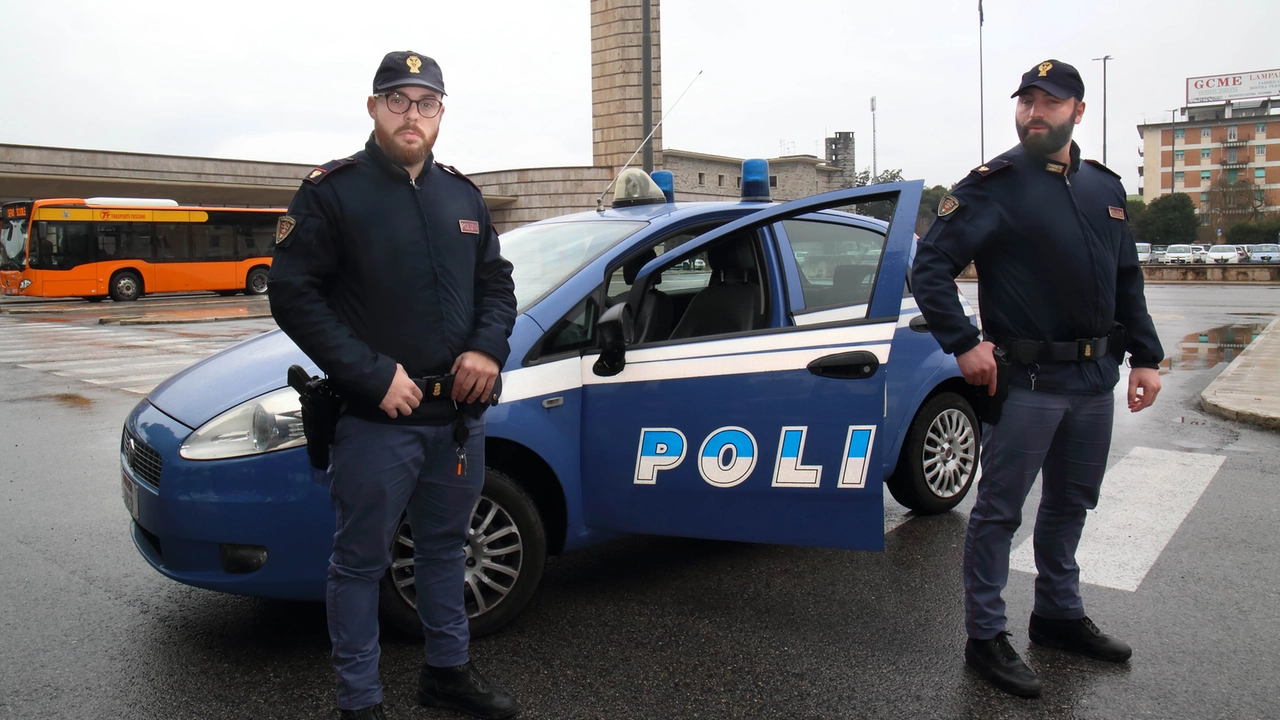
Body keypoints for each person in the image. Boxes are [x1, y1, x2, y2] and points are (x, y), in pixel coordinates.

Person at [268, 50, 519, 720]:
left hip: (458, 421)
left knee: (444, 550)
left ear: (441, 112)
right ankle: (360, 702)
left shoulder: (462, 196)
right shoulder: (333, 193)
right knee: (359, 564)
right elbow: (293, 295)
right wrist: (372, 375)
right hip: (378, 421)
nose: (413, 115)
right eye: (399, 100)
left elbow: (497, 285)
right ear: (374, 108)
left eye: (426, 102)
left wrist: (487, 350)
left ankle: (447, 674)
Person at [911, 59, 1164, 698]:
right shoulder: (993, 185)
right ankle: (986, 637)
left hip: (1092, 381)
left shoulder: (1105, 188)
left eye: (1049, 102)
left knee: (1072, 504)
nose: (1033, 112)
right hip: (1023, 381)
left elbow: (1126, 281)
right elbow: (930, 268)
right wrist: (964, 343)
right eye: (1025, 101)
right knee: (999, 513)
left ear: (1078, 111)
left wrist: (1147, 357)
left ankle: (1056, 614)